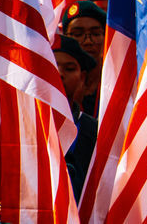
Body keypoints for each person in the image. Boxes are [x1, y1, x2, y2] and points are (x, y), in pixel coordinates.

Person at [53, 35, 98, 198]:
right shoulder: (24, 124)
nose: (60, 73)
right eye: (52, 64)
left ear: (83, 77)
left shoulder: (94, 130)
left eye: (70, 68)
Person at [63, 0, 106, 116]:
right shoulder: (58, 81)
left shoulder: (115, 79)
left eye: (96, 34)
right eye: (77, 34)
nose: (87, 41)